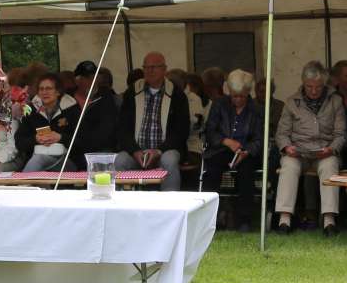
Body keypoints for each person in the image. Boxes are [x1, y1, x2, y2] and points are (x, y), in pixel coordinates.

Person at [273, 61, 347, 236]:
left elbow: (341, 134)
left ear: (325, 85)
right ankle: (284, 220)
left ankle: (329, 220)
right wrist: (287, 147)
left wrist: (331, 149)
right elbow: (281, 133)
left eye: (318, 87)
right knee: (288, 166)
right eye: (309, 86)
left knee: (330, 165)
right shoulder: (292, 102)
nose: (313, 91)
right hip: (297, 152)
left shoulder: (335, 101)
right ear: (303, 83)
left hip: (325, 152)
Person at [114, 52, 189, 190]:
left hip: (164, 151)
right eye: (146, 67)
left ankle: (170, 202)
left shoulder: (177, 94)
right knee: (120, 160)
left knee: (169, 160)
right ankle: (125, 201)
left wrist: (159, 151)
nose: (150, 71)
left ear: (164, 69)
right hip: (137, 151)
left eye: (154, 67)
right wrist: (134, 151)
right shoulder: (132, 92)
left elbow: (182, 131)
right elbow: (122, 128)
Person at [202, 70, 264, 229]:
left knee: (246, 172)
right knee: (212, 171)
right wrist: (226, 141)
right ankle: (209, 217)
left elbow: (259, 139)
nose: (238, 100)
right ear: (229, 91)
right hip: (221, 149)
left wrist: (247, 151)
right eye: (234, 96)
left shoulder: (256, 110)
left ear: (248, 92)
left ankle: (244, 219)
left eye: (242, 96)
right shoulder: (219, 104)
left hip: (246, 152)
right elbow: (210, 131)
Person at [15, 73, 77, 171]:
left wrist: (61, 138)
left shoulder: (71, 110)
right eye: (41, 89)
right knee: (38, 159)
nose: (44, 92)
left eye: (49, 88)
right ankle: (28, 180)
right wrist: (35, 139)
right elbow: (19, 142)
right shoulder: (31, 110)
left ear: (58, 91)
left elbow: (82, 141)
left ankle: (26, 181)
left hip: (66, 161)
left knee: (38, 160)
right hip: (36, 158)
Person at [67, 65, 119, 169]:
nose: (93, 81)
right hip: (71, 152)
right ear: (77, 81)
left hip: (99, 150)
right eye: (88, 78)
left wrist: (83, 142)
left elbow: (107, 129)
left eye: (95, 77)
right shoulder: (67, 98)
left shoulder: (105, 97)